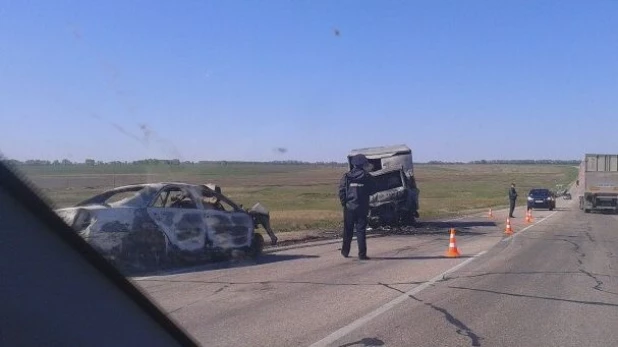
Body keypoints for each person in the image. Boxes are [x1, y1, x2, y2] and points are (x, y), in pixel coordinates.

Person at [338, 154, 375, 260]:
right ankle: (362, 254)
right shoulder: (367, 176)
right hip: (362, 207)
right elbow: (373, 189)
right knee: (361, 231)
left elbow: (341, 191)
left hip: (349, 207)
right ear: (363, 164)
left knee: (348, 230)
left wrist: (344, 203)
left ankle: (345, 252)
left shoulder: (346, 176)